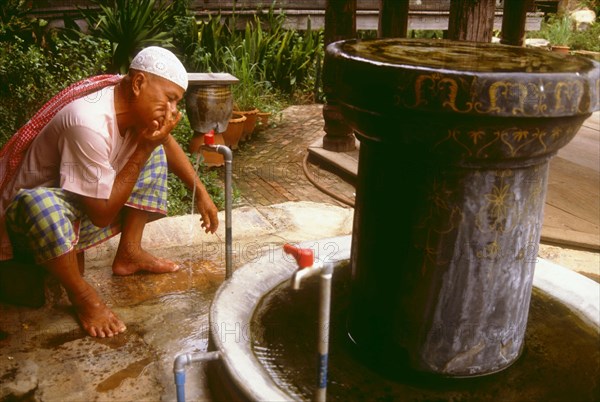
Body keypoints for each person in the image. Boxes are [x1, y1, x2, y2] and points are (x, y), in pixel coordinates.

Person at [0, 46, 219, 338]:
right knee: (40, 205)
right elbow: (101, 215)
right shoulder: (87, 123)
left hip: (77, 202)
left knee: (153, 149)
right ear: (139, 83)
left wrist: (201, 193)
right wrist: (142, 148)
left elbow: (165, 142)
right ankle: (83, 296)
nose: (172, 112)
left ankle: (129, 254)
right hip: (28, 224)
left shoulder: (127, 105)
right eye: (169, 99)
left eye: (176, 103)